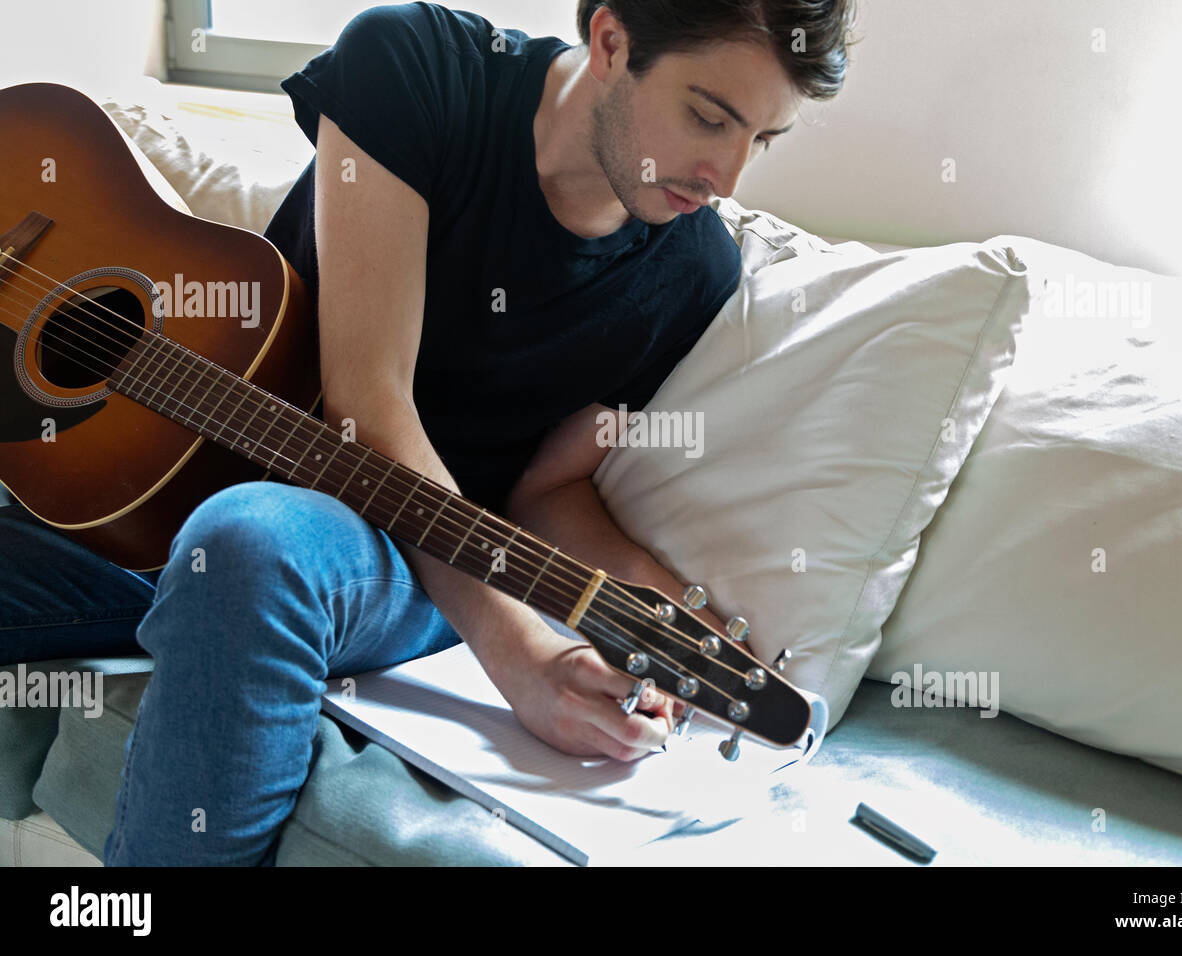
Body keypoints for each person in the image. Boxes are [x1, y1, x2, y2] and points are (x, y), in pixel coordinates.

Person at [0, 0, 855, 865]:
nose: (728, 177)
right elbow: (367, 403)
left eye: (763, 138)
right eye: (709, 116)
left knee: (250, 544)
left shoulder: (693, 267)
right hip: (148, 480)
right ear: (609, 41)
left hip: (398, 553)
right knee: (219, 549)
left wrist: (639, 597)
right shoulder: (414, 64)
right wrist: (523, 659)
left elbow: (546, 486)